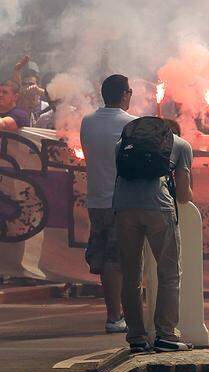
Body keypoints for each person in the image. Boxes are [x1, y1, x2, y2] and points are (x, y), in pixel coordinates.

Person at [113, 111, 194, 353]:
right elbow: (183, 193)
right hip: (158, 208)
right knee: (169, 273)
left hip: (124, 207)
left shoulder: (121, 144)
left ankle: (136, 338)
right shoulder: (181, 145)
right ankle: (165, 335)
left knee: (130, 275)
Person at [80, 75, 136, 334]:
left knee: (105, 258)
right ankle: (117, 316)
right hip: (121, 200)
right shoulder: (132, 124)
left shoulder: (88, 122)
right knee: (119, 260)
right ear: (125, 94)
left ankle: (116, 313)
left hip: (96, 199)